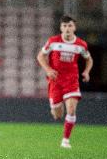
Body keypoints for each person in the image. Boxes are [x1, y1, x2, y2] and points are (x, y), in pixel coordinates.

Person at [37, 16, 93, 149]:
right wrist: (48, 69)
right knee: (57, 114)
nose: (67, 28)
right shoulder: (53, 41)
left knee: (72, 109)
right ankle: (56, 108)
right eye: (65, 26)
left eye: (70, 26)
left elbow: (89, 59)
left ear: (74, 27)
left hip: (71, 80)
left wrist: (86, 72)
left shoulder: (81, 44)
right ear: (61, 28)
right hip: (55, 81)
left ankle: (65, 140)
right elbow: (40, 56)